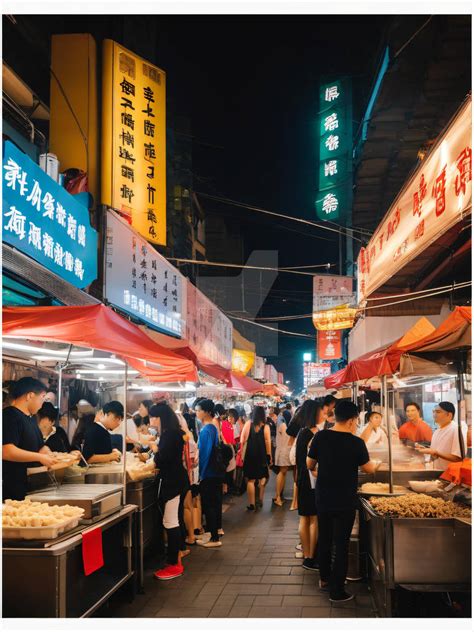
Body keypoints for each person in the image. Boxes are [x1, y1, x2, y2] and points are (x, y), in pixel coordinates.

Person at [307, 400, 378, 603]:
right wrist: (377, 465)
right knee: (341, 543)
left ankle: (324, 580)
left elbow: (309, 463)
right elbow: (369, 469)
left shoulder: (321, 436)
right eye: (356, 420)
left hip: (323, 497)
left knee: (326, 539)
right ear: (351, 420)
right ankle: (337, 591)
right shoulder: (356, 442)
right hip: (345, 500)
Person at [150, 403, 189, 580]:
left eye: (153, 417)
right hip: (177, 481)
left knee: (170, 522)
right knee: (173, 520)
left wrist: (155, 450)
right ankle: (177, 556)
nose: (151, 421)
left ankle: (174, 564)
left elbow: (162, 459)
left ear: (160, 418)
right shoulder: (174, 433)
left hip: (172, 483)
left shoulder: (169, 435)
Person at [2, 377, 58, 501]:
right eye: (42, 397)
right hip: (12, 487)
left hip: (30, 485)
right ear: (30, 396)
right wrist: (40, 457)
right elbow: (6, 451)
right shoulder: (9, 416)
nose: (42, 402)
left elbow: (40, 446)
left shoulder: (31, 418)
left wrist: (49, 454)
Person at [295, 400, 321, 571]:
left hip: (303, 479)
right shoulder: (312, 434)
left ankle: (306, 555)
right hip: (312, 480)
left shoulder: (302, 432)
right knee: (313, 519)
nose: (323, 415)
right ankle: (312, 557)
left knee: (305, 518)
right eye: (321, 412)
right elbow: (311, 462)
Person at [195, 399, 223, 547]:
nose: (196, 412)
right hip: (215, 473)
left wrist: (201, 474)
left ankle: (214, 539)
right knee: (214, 503)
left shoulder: (206, 430)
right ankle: (213, 533)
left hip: (209, 473)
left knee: (209, 505)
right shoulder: (212, 427)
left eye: (198, 410)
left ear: (206, 412)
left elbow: (205, 454)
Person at [416, 402, 465, 470]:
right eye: (434, 412)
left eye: (438, 412)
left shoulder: (455, 429)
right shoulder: (437, 431)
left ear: (449, 415)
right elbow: (435, 456)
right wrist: (426, 450)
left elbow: (458, 458)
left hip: (451, 475)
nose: (434, 414)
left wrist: (436, 452)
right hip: (438, 473)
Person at [240, 406, 272, 511]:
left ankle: (252, 503)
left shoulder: (248, 424)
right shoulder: (266, 426)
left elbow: (242, 439)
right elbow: (268, 442)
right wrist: (269, 455)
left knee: (250, 480)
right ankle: (261, 500)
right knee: (263, 477)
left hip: (250, 454)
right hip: (262, 455)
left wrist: (241, 453)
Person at [273, 408, 292, 506]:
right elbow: (287, 436)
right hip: (283, 451)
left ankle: (278, 496)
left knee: (283, 472)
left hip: (283, 450)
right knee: (282, 472)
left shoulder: (281, 422)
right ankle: (278, 497)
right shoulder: (283, 424)